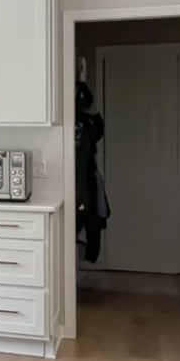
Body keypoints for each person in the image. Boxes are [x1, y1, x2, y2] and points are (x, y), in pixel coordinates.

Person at [75, 81, 110, 262]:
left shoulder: (86, 124)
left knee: (89, 214)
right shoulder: (88, 124)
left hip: (83, 180)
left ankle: (87, 255)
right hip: (82, 180)